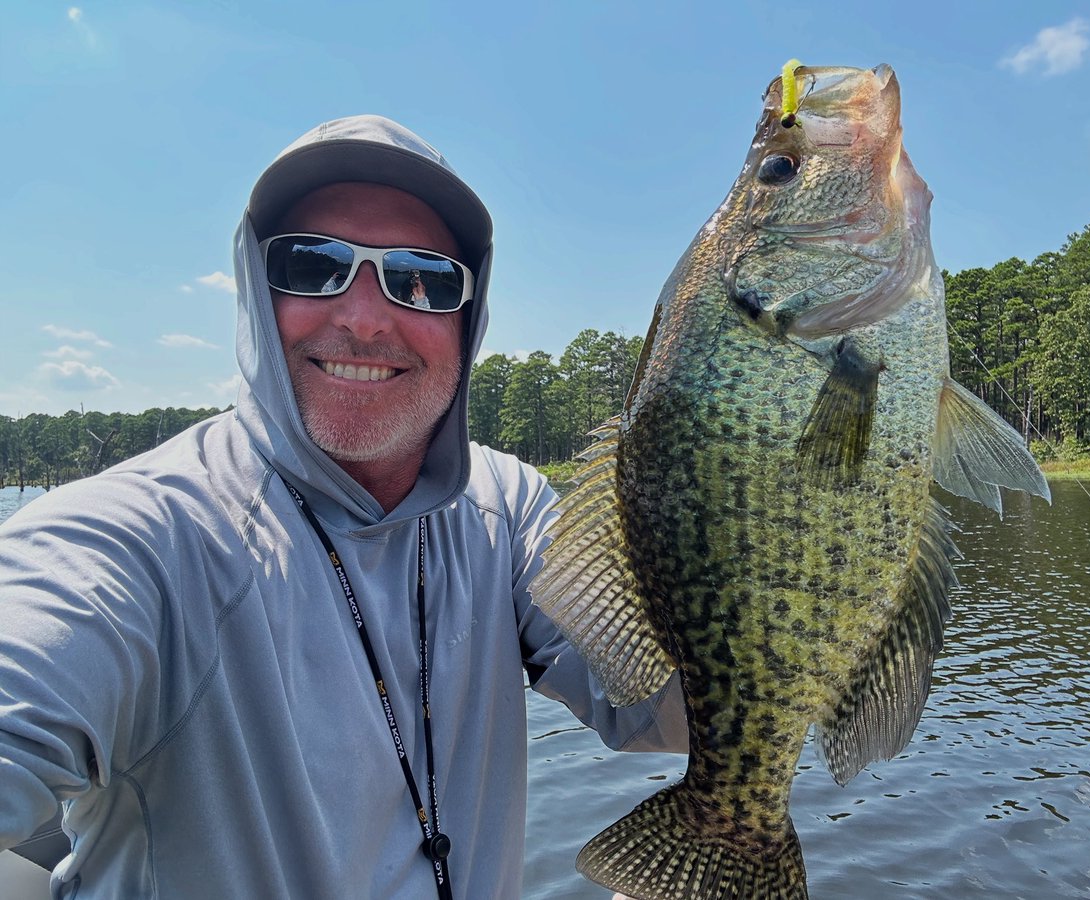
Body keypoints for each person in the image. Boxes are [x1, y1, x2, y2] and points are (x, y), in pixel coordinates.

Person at [0, 115, 686, 899]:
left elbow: (660, 709)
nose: (363, 317)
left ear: (470, 315)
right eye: (312, 264)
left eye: (421, 276)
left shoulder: (512, 507)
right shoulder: (133, 538)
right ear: (257, 293)